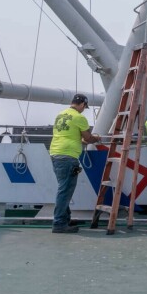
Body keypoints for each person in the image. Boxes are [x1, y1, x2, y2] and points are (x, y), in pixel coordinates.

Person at [50, 94, 99, 233]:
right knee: (65, 191)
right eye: (85, 107)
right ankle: (59, 223)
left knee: (63, 188)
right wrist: (97, 138)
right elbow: (89, 138)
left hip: (55, 153)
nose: (84, 109)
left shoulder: (60, 115)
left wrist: (80, 141)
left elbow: (68, 135)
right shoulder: (79, 117)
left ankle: (65, 219)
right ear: (83, 104)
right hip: (68, 156)